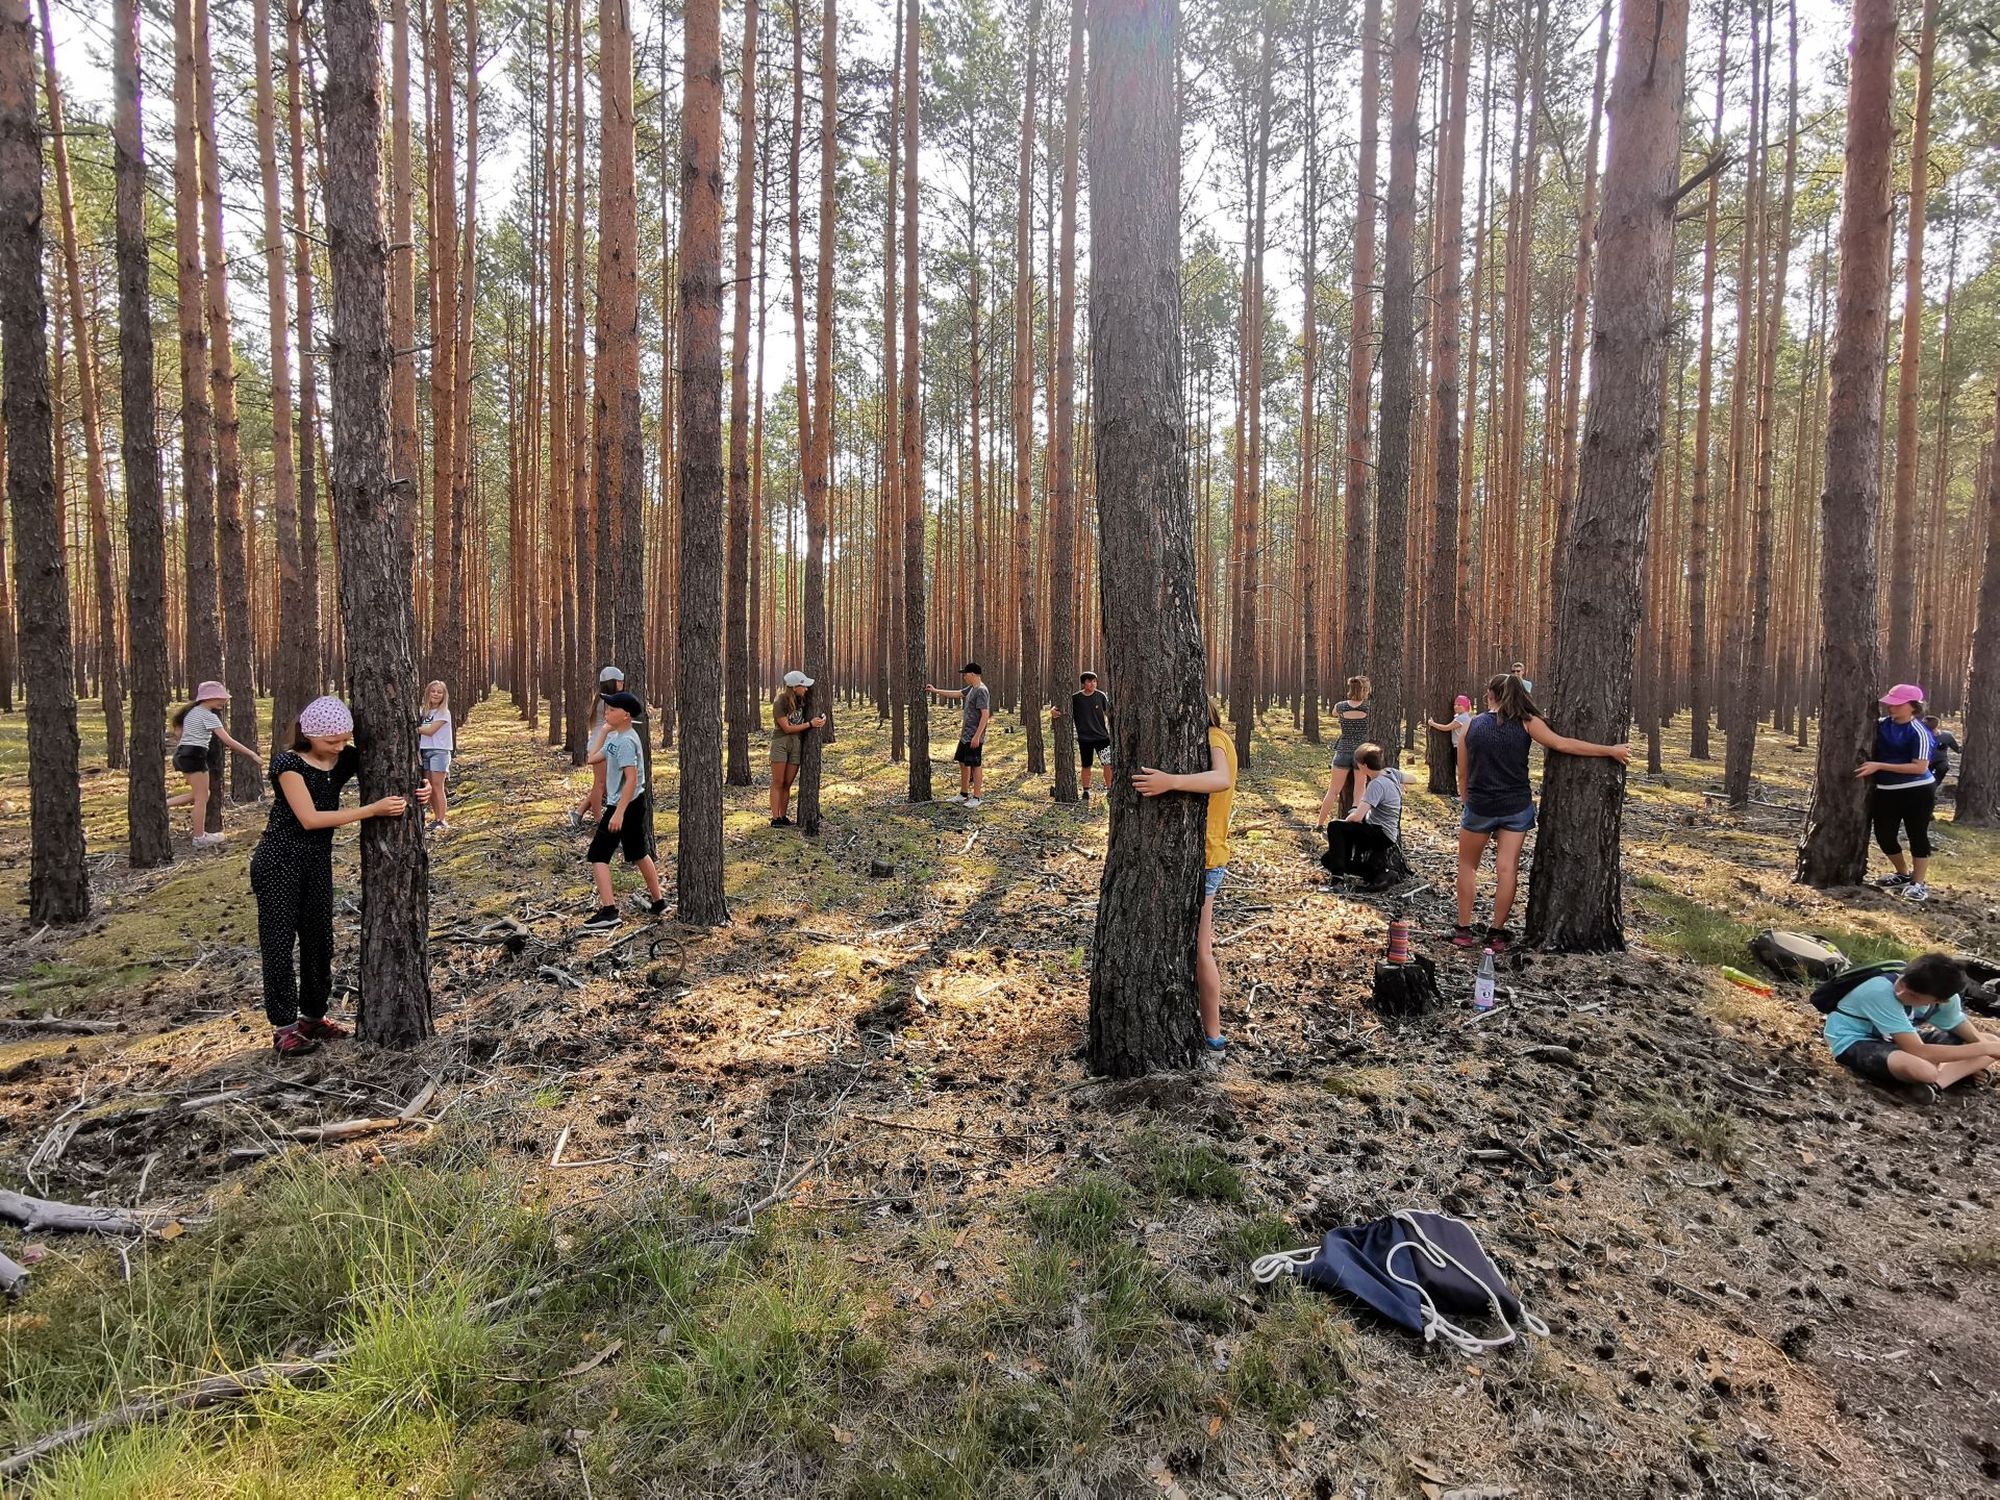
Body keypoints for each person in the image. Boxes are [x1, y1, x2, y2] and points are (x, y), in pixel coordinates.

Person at [252, 696, 428, 1057]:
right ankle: (284, 1028)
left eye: (344, 739)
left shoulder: (343, 758)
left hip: (316, 862)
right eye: (332, 740)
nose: (339, 746)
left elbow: (392, 769)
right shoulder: (288, 765)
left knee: (319, 940)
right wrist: (372, 810)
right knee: (279, 944)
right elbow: (310, 819)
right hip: (278, 861)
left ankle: (313, 1017)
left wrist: (420, 787)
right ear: (309, 735)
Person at [1452, 673, 1630, 949]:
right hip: (1515, 808)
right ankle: (1496, 933)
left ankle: (1463, 930)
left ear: (1490, 695)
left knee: (1467, 866)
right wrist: (1610, 750)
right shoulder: (1527, 722)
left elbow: (1462, 772)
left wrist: (1467, 800)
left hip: (1480, 806)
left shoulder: (1471, 725)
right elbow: (1563, 744)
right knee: (1507, 869)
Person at [1133, 698, 1238, 1055]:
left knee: (1200, 948)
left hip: (1206, 858)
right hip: (1203, 855)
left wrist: (1171, 782)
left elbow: (1221, 779)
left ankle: (1213, 1036)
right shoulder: (1211, 738)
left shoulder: (1214, 738)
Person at [1823, 953, 2000, 1094]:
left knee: (1990, 1040)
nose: (1900, 993)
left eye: (1914, 996)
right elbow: (1918, 1051)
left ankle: (1934, 1085)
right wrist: (1981, 1051)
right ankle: (1945, 1076)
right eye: (1901, 983)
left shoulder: (1947, 999)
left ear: (1939, 1000)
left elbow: (1958, 1025)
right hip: (1854, 1041)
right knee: (1924, 1070)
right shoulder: (1880, 991)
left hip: (1895, 1039)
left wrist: (1984, 1046)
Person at [581, 691, 667, 931]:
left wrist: (618, 812)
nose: (606, 712)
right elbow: (592, 758)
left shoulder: (627, 741)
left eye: (612, 709)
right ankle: (659, 903)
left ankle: (609, 912)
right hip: (629, 804)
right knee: (638, 852)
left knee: (598, 855)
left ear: (626, 715)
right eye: (606, 709)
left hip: (625, 805)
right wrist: (604, 731)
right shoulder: (616, 738)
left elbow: (631, 779)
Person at [1859, 684, 1937, 902]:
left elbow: (1920, 767)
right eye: (1890, 703)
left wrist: (1879, 766)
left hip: (1918, 792)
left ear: (1913, 707)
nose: (1891, 707)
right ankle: (1902, 874)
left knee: (1917, 835)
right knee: (1884, 835)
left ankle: (1918, 884)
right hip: (1886, 791)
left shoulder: (1919, 732)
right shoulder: (1880, 725)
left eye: (1897, 704)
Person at [167, 680, 262, 848]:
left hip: (183, 755)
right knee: (202, 797)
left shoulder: (191, 712)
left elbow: (179, 733)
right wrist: (251, 754)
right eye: (220, 698)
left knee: (200, 794)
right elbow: (228, 740)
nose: (224, 701)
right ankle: (199, 838)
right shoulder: (209, 716)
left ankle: (161, 805)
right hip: (194, 756)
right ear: (208, 698)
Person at [1323, 742, 1408, 888]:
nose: (1357, 766)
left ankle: (1337, 880)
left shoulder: (1376, 784)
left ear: (1364, 765)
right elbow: (1413, 779)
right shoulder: (1391, 774)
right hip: (1382, 831)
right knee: (1327, 860)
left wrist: (1348, 820)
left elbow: (1357, 817)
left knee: (1335, 826)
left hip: (1381, 833)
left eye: (1358, 763)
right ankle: (1378, 874)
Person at [926, 663, 992, 808]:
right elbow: (956, 693)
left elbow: (985, 715)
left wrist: (977, 736)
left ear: (973, 674)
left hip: (974, 736)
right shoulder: (971, 688)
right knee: (962, 762)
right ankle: (963, 794)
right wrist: (935, 691)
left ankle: (977, 797)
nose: (964, 677)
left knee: (975, 765)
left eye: (966, 674)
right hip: (965, 735)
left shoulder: (981, 691)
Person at [570, 665, 627, 830]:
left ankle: (578, 812)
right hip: (600, 746)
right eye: (619, 680)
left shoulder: (606, 700)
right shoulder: (607, 701)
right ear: (612, 683)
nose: (622, 682)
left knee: (605, 784)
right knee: (600, 784)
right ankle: (598, 818)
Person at [769, 670, 826, 826]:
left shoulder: (802, 700)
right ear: (794, 687)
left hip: (796, 743)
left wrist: (822, 718)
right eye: (803, 686)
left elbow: (816, 711)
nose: (806, 689)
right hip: (781, 742)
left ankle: (783, 816)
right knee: (778, 781)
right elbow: (787, 728)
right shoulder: (780, 702)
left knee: (787, 783)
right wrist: (810, 724)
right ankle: (775, 818)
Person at [1316, 675, 1374, 825]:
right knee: (1359, 790)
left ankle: (1319, 824)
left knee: (1333, 791)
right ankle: (1353, 823)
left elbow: (1334, 713)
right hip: (1361, 753)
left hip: (1343, 750)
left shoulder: (1340, 706)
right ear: (1365, 690)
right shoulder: (1369, 707)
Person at [1052, 671, 1113, 799]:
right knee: (1086, 765)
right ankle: (1086, 791)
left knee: (1108, 763)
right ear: (1083, 683)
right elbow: (1059, 708)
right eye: (1089, 681)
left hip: (1102, 737)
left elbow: (1109, 713)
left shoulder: (1101, 696)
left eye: (1094, 681)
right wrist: (1052, 710)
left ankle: (1110, 789)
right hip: (1085, 739)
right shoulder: (1076, 698)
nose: (1092, 684)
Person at [418, 680, 454, 833]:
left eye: (439, 692)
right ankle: (435, 818)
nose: (436, 694)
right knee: (429, 787)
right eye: (433, 691)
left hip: (439, 751)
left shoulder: (444, 712)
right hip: (425, 750)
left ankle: (441, 820)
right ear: (428, 693)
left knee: (438, 786)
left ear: (444, 695)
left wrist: (412, 728)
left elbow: (430, 730)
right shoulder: (424, 711)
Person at [1923, 714, 1960, 800]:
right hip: (1924, 761)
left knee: (1943, 768)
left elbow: (1957, 749)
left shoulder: (1946, 736)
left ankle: (1931, 790)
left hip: (1940, 761)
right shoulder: (1920, 736)